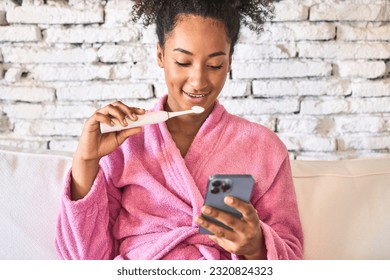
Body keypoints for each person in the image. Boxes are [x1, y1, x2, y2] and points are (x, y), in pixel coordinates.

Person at [55, 0, 303, 260]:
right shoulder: (124, 142)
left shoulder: (263, 147)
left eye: (215, 65)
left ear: (229, 61)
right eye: (183, 62)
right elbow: (83, 260)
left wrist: (256, 246)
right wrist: (86, 160)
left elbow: (292, 259)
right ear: (161, 55)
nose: (198, 81)